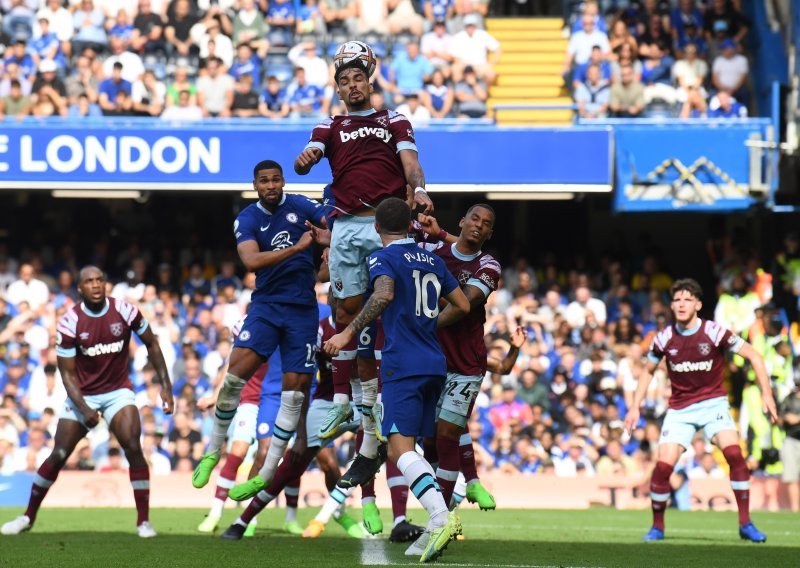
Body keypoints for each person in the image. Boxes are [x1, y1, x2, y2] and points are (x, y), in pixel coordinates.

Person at [293, 41, 432, 473]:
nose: (353, 86)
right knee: (347, 311)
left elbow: (410, 164)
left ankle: (387, 415)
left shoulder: (395, 120)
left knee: (395, 309)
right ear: (338, 89)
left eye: (358, 78)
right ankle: (357, 409)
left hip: (386, 224)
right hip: (347, 226)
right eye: (345, 81)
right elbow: (305, 162)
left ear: (369, 80)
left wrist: (421, 189)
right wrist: (307, 157)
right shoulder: (329, 125)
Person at [323, 197, 469, 562]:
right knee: (411, 447)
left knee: (399, 449)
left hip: (403, 363)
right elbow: (464, 305)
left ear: (375, 228)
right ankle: (433, 524)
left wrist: (346, 333)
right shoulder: (434, 259)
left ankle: (440, 517)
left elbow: (384, 294)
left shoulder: (382, 258)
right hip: (435, 362)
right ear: (408, 225)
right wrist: (428, 325)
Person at [1, 266, 174, 537]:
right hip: (81, 394)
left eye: (100, 280)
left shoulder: (126, 311)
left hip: (118, 391)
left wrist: (166, 386)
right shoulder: (69, 322)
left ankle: (143, 521)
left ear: (105, 284)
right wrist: (84, 408)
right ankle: (27, 517)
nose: (95, 285)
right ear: (80, 289)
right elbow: (66, 373)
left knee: (132, 445)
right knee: (58, 454)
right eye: (89, 282)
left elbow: (152, 343)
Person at [191, 160, 326, 499]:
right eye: (264, 181)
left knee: (295, 394)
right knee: (234, 377)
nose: (271, 185)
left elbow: (334, 225)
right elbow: (251, 262)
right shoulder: (248, 218)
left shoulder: (301, 204)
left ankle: (265, 473)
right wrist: (296, 249)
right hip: (266, 307)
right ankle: (212, 450)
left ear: (283, 181)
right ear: (255, 185)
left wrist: (329, 235)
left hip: (302, 310)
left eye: (276, 180)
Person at [624, 278, 777, 543]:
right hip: (680, 409)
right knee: (662, 468)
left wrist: (767, 394)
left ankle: (745, 523)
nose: (681, 304)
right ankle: (657, 527)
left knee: (734, 455)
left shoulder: (714, 332)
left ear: (698, 304)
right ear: (672, 306)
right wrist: (634, 407)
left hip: (713, 405)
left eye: (687, 299)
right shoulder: (664, 338)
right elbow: (648, 371)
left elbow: (755, 356)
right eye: (677, 300)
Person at [220, 310, 369, 541]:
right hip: (321, 402)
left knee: (378, 448)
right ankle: (245, 518)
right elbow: (304, 375)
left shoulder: (367, 321)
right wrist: (301, 433)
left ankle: (370, 511)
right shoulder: (313, 327)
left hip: (365, 399)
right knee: (291, 459)